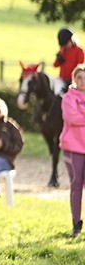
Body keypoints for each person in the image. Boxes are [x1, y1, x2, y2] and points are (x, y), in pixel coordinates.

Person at [58, 65, 85, 237]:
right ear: (74, 79)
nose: (83, 81)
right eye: (80, 77)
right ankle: (76, 223)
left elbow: (78, 117)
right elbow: (71, 117)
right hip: (73, 147)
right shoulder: (68, 98)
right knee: (76, 185)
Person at [53, 28, 84, 95]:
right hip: (61, 80)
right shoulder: (63, 50)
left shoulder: (79, 51)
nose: (65, 46)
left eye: (66, 43)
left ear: (71, 40)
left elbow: (80, 67)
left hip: (73, 80)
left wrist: (73, 78)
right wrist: (59, 57)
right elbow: (55, 65)